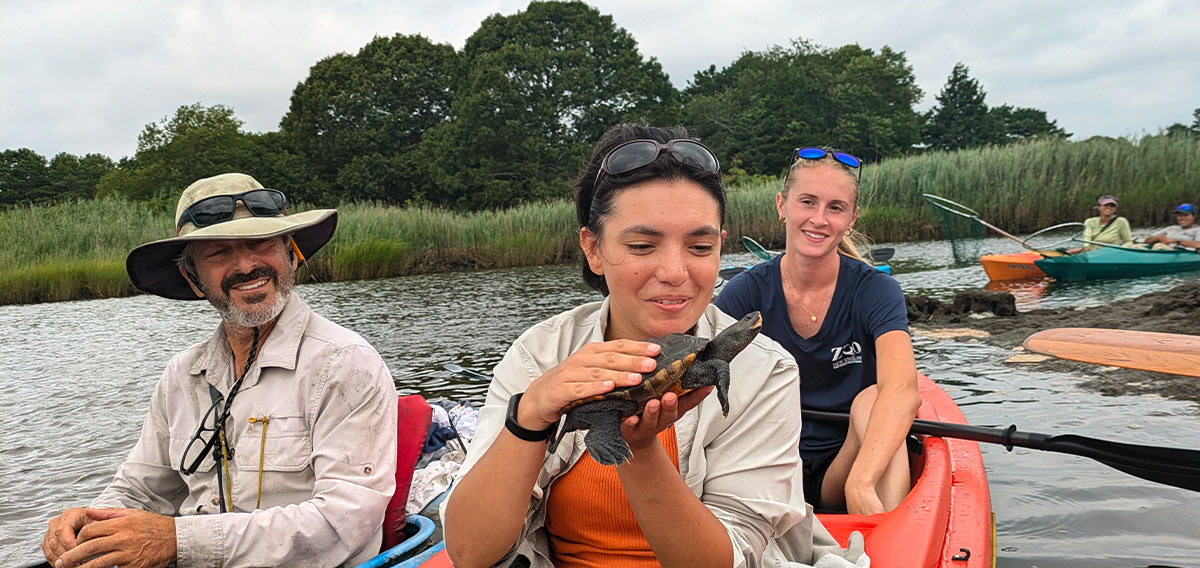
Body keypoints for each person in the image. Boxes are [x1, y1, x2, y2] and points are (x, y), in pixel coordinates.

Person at [442, 125, 848, 568]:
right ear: (593, 249)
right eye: (641, 245)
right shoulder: (540, 355)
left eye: (699, 246)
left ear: (720, 248)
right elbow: (470, 554)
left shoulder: (765, 370)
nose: (675, 271)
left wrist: (640, 449)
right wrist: (529, 417)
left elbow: (732, 560)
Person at [40, 173, 398, 567]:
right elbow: (140, 490)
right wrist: (89, 523)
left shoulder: (345, 363)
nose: (246, 265)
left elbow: (343, 524)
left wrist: (179, 541)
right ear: (192, 279)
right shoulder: (182, 376)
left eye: (260, 243)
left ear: (292, 254)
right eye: (219, 253)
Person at [715, 147, 920, 516]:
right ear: (782, 205)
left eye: (836, 208)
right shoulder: (744, 293)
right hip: (769, 468)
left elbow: (903, 390)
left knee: (875, 399)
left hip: (845, 468)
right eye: (807, 202)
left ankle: (885, 533)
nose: (819, 219)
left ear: (852, 219)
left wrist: (860, 481)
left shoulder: (876, 290)